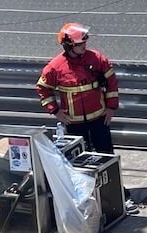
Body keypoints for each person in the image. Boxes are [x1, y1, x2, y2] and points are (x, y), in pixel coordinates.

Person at [36, 23, 119, 155]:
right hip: (74, 123)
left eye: (84, 42)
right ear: (69, 46)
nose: (84, 46)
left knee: (106, 155)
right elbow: (43, 88)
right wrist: (56, 111)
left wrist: (111, 108)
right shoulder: (55, 67)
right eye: (80, 44)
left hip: (100, 119)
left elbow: (111, 83)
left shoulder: (96, 58)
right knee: (80, 158)